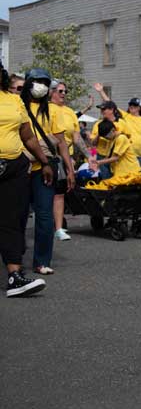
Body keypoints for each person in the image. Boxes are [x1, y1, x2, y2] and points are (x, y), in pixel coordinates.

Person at [0, 60, 53, 297]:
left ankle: (14, 277)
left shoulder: (13, 100)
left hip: (13, 168)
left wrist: (44, 161)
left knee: (12, 222)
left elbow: (28, 136)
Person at [20, 69, 75, 274]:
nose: (41, 85)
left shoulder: (52, 110)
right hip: (20, 168)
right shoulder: (18, 106)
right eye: (37, 81)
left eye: (45, 82)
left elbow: (61, 142)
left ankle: (42, 261)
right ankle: (14, 258)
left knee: (45, 216)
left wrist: (70, 170)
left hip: (45, 169)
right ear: (28, 83)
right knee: (18, 215)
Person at [49, 79, 90, 241]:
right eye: (60, 91)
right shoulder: (47, 109)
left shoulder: (70, 112)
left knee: (60, 193)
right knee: (51, 193)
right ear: (51, 92)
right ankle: (49, 223)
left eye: (65, 91)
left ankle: (58, 228)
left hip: (67, 158)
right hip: (51, 156)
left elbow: (76, 136)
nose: (64, 94)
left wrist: (88, 156)